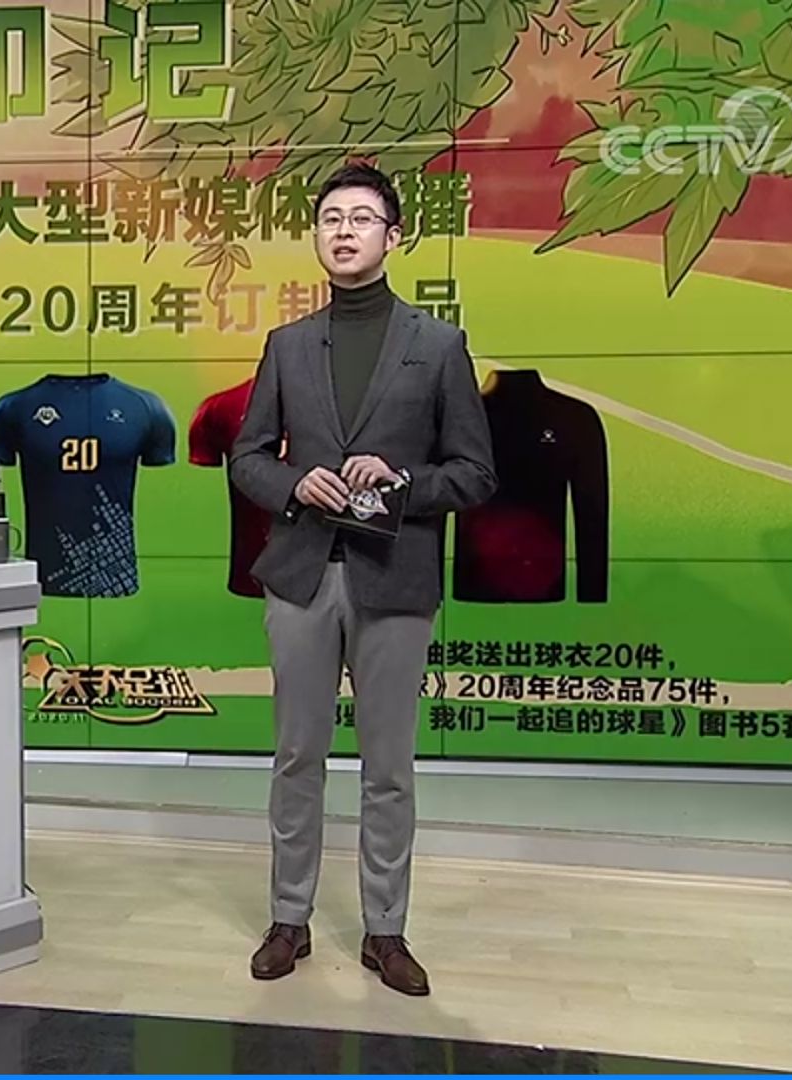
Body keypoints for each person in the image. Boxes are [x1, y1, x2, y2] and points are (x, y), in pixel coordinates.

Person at [229, 163, 496, 995]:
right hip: (303, 575)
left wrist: (403, 481)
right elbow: (246, 458)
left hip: (394, 578)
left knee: (388, 765)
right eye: (331, 219)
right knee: (296, 755)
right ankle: (289, 918)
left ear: (393, 236)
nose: (343, 231)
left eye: (361, 218)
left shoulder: (438, 346)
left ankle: (386, 930)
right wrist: (292, 483)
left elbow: (476, 473)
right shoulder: (288, 345)